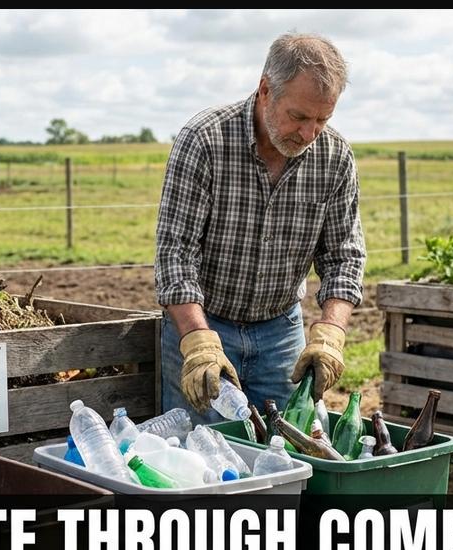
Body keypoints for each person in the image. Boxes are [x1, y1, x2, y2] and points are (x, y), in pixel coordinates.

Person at [155, 32, 366, 423]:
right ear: (266, 89)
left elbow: (344, 257)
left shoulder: (334, 157)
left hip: (280, 332)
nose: (309, 134)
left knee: (290, 451)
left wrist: (331, 332)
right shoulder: (204, 141)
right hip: (204, 322)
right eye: (299, 116)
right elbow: (175, 254)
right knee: (199, 456)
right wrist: (198, 341)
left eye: (323, 119)